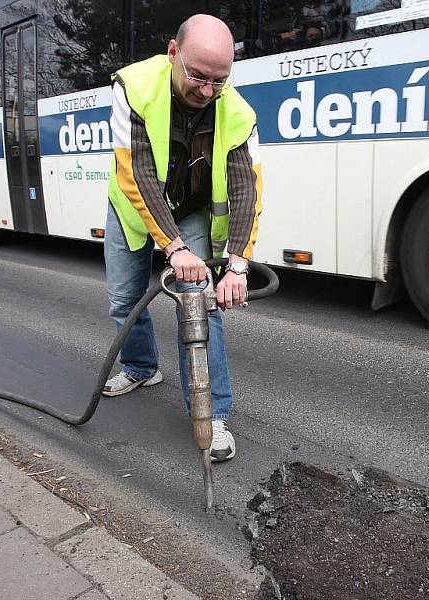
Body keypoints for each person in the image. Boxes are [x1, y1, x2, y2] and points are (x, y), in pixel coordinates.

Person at [103, 14, 263, 463]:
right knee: (123, 299)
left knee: (199, 300)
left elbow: (246, 190)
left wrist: (236, 266)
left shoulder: (238, 113)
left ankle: (211, 413)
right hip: (134, 207)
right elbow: (138, 174)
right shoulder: (134, 88)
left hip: (190, 208)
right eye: (197, 76)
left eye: (219, 80)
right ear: (173, 52)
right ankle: (140, 367)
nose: (207, 91)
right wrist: (174, 249)